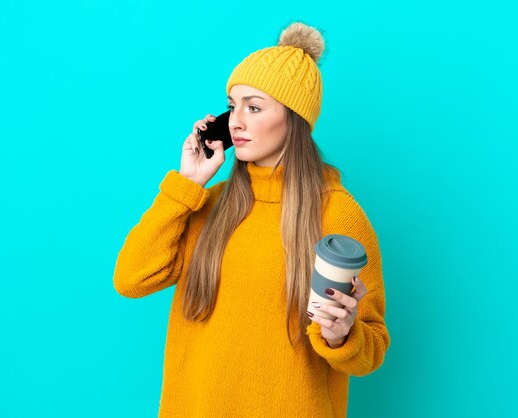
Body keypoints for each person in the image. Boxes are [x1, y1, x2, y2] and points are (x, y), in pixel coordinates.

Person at [113, 21, 390, 418]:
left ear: (294, 119)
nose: (236, 121)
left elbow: (371, 351)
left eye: (254, 107)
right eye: (232, 105)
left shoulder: (337, 213)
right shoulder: (207, 204)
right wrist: (186, 184)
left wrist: (341, 334)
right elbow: (131, 279)